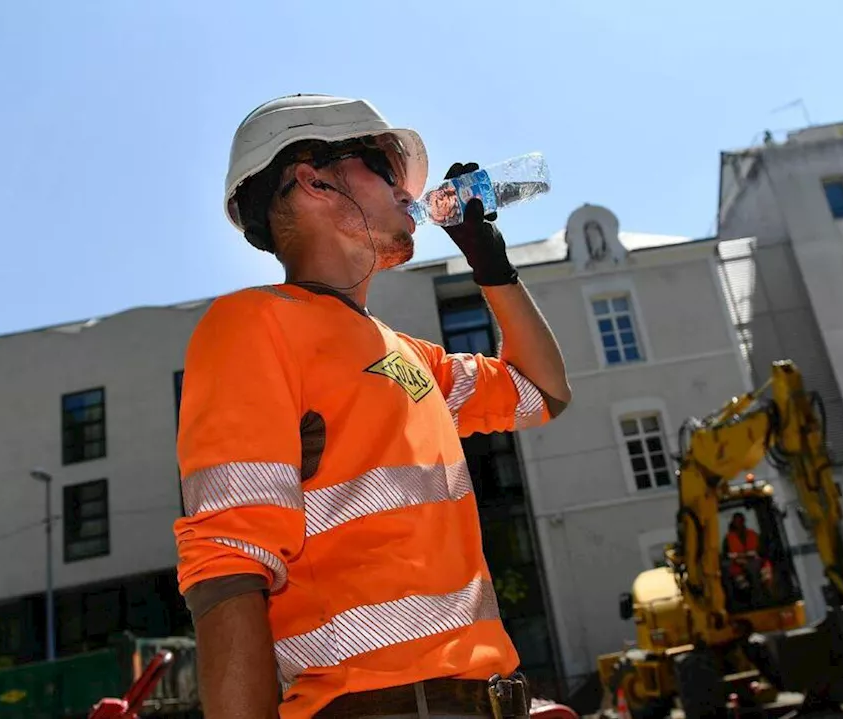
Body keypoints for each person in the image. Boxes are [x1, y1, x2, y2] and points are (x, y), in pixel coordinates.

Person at [172, 94, 572, 719]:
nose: (410, 194)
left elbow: (541, 392)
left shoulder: (406, 355)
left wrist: (489, 263)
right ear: (315, 179)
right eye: (387, 172)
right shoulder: (253, 325)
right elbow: (227, 565)